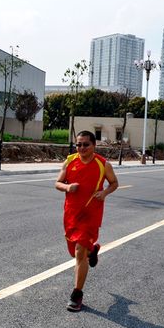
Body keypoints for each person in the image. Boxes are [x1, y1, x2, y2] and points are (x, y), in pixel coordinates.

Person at [55, 130, 119, 312]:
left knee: (79, 253)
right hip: (71, 214)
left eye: (85, 144)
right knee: (74, 252)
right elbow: (57, 183)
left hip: (91, 215)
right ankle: (94, 249)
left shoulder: (103, 164)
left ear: (94, 145)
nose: (81, 148)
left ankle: (77, 294)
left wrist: (104, 192)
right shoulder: (69, 161)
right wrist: (67, 186)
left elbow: (114, 183)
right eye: (78, 144)